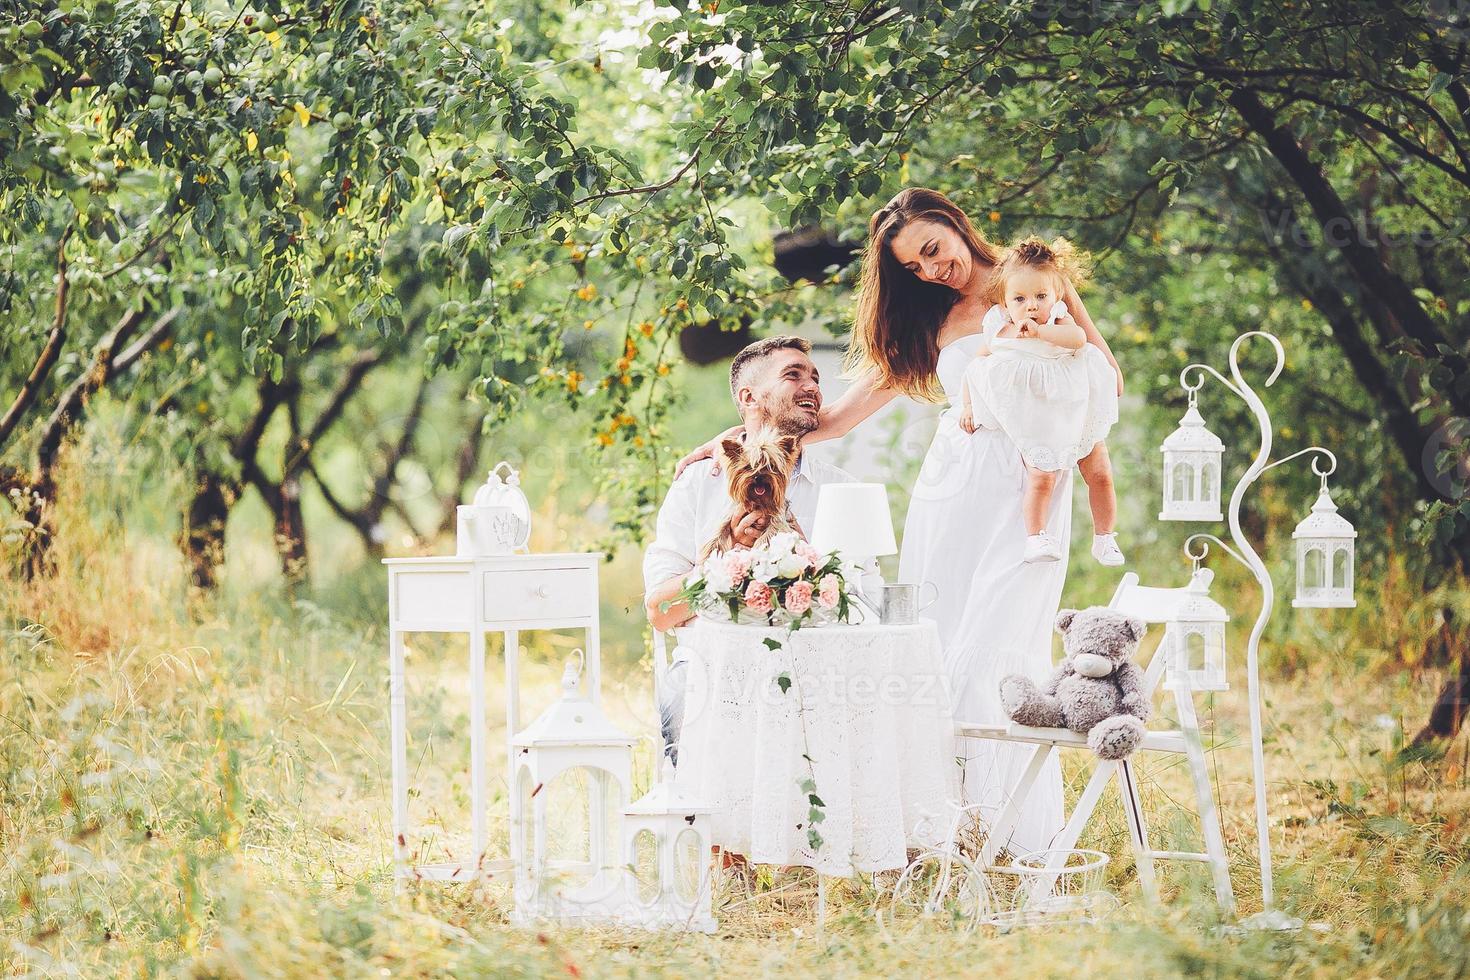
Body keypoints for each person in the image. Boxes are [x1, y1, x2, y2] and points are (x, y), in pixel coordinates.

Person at [673, 188, 1124, 854]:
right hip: (952, 492)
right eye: (914, 266)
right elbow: (838, 419)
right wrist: (738, 435)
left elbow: (1104, 375)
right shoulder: (930, 323)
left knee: (1002, 653)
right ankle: (945, 836)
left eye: (933, 250)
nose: (931, 270)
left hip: (1030, 487)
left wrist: (1035, 376)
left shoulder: (1033, 279)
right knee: (934, 655)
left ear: (955, 224)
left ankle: (1015, 837)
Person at [642, 335, 878, 763]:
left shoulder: (842, 490)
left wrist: (811, 566)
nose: (813, 387)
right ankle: (699, 826)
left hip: (818, 671)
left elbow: (870, 611)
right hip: (714, 672)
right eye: (793, 375)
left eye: (816, 377)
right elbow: (660, 612)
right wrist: (723, 561)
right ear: (749, 397)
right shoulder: (698, 485)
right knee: (683, 698)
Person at [960, 236, 1123, 565]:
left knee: (1101, 472)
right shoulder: (1002, 331)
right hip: (1039, 419)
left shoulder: (1057, 321)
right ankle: (1036, 537)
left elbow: (1078, 340)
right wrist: (968, 405)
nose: (1031, 305)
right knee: (1042, 476)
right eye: (1019, 298)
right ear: (1005, 304)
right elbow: (976, 369)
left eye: (1040, 296)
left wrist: (1040, 332)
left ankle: (1104, 537)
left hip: (1077, 409)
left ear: (1056, 296)